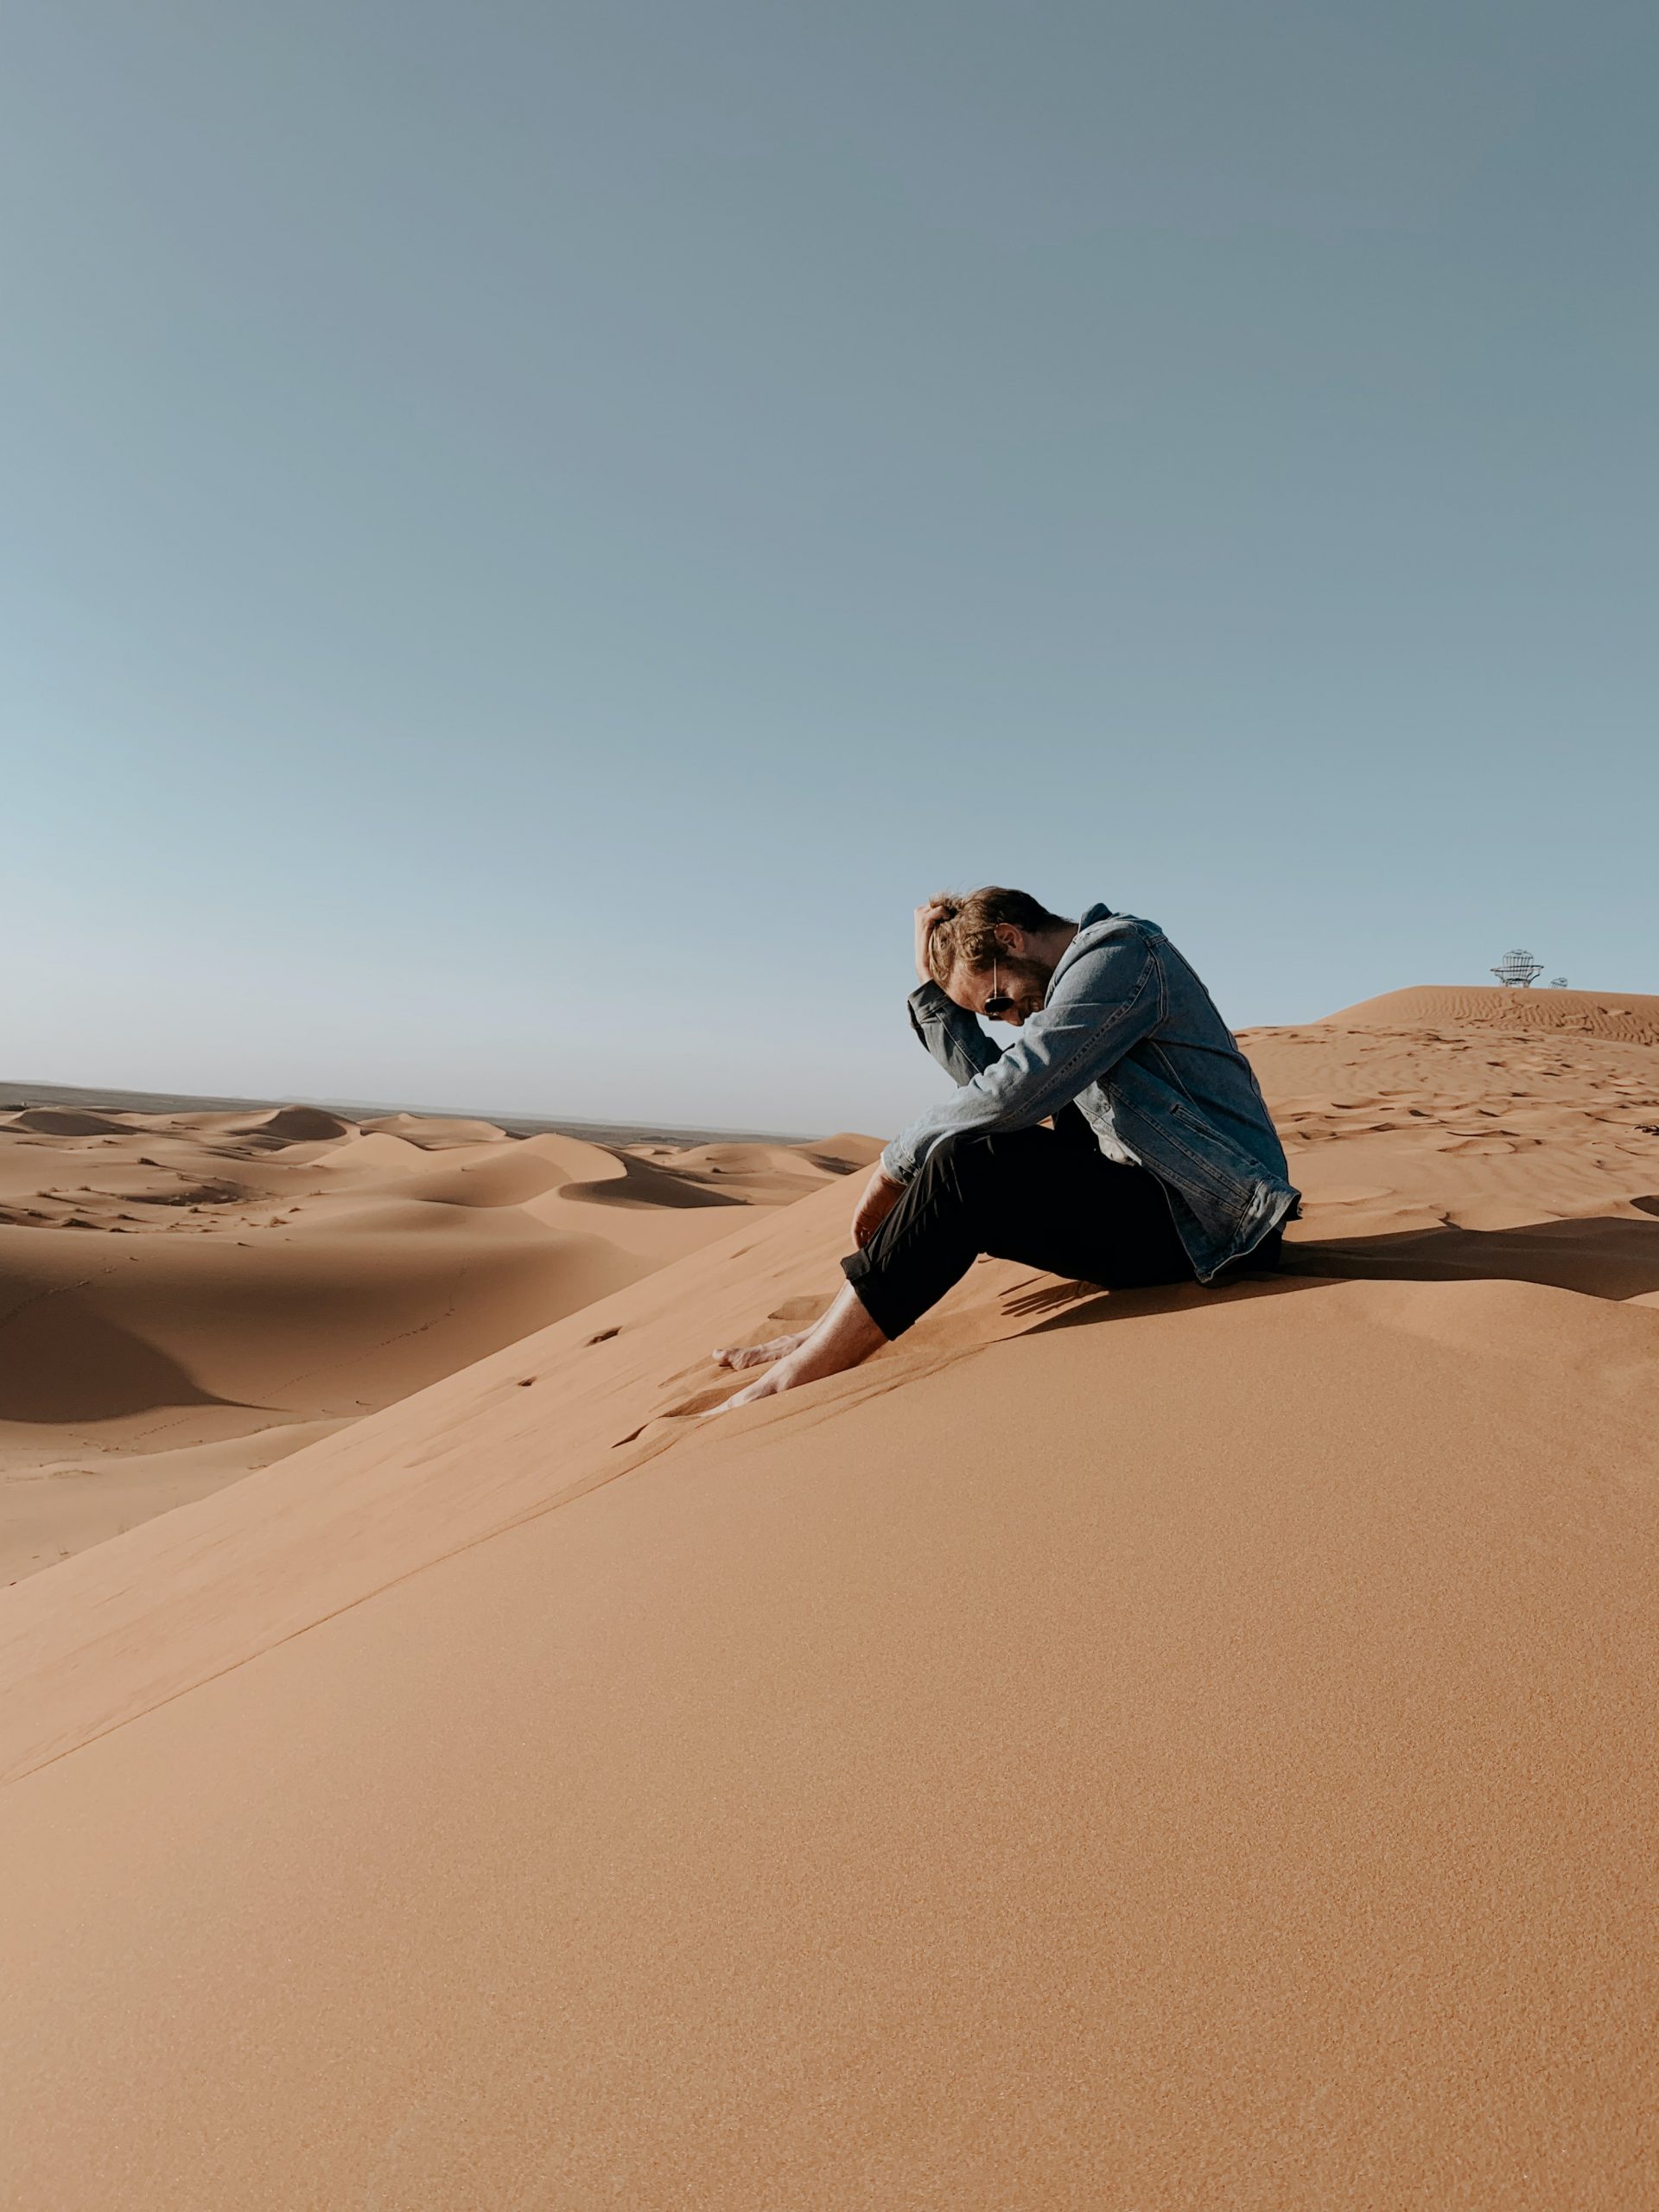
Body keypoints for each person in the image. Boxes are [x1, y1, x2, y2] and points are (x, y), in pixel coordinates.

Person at [711, 887, 1300, 1409]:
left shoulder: (1122, 956)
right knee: (971, 1149)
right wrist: (929, 989)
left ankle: (800, 1376)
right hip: (1164, 1215)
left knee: (967, 1166)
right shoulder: (1068, 994)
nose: (1011, 1020)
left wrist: (894, 1167)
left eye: (996, 1003)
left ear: (1010, 937)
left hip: (1216, 1227)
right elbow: (995, 1094)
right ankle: (823, 1337)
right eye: (994, 1016)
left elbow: (1014, 1090)